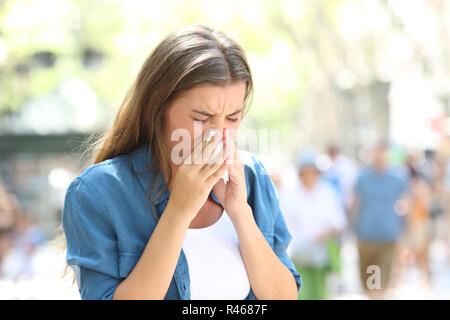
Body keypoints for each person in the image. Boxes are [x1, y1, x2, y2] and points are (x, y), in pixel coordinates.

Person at [59, 24, 302, 300]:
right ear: (158, 108)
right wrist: (178, 212)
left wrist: (240, 212)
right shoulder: (97, 192)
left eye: (233, 118)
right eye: (201, 118)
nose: (219, 135)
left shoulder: (252, 178)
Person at [278, 150, 346, 300]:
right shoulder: (289, 194)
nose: (309, 176)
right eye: (305, 172)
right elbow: (281, 222)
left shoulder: (327, 193)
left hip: (321, 253)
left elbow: (338, 221)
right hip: (296, 254)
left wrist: (326, 233)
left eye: (312, 172)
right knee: (299, 291)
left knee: (319, 292)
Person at [352, 142, 408, 299]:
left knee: (381, 280)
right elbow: (356, 203)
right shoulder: (363, 178)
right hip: (366, 234)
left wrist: (404, 228)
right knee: (369, 279)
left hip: (388, 234)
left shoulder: (397, 178)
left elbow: (404, 203)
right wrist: (352, 229)